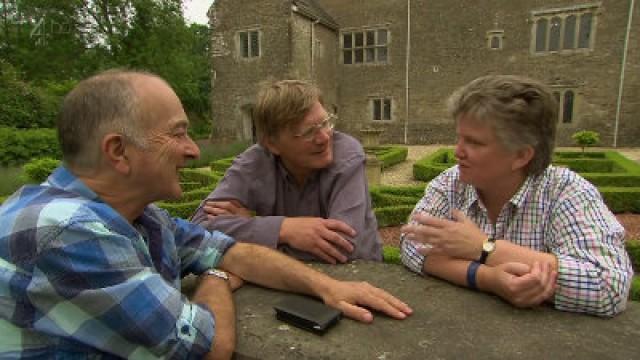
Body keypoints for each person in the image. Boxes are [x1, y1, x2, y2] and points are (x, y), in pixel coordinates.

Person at [0, 70, 412, 359]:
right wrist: (218, 274)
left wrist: (326, 286)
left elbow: (225, 246)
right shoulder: (72, 232)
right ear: (118, 152)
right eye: (178, 133)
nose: (195, 150)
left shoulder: (141, 218)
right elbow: (205, 345)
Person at [400, 75, 633, 317]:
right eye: (459, 137)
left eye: (474, 142)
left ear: (521, 156)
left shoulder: (566, 191)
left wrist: (484, 249)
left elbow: (610, 285)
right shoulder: (451, 182)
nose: (457, 151)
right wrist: (487, 278)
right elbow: (411, 244)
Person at [191, 80, 382, 263]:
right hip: (282, 283)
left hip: (358, 276)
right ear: (272, 144)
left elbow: (342, 246)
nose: (324, 137)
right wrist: (284, 229)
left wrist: (256, 226)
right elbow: (196, 229)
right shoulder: (254, 162)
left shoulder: (347, 155)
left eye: (325, 123)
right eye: (308, 132)